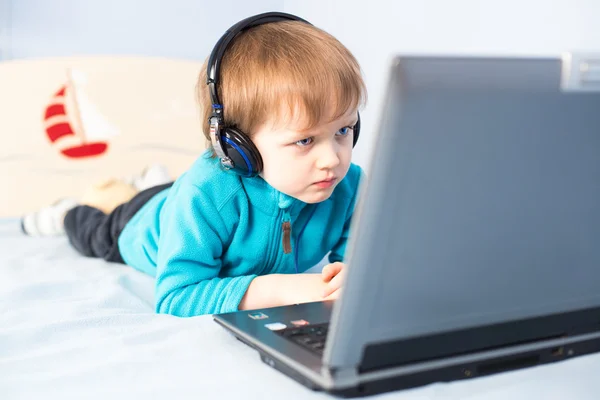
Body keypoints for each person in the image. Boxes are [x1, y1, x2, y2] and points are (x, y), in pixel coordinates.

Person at [22, 12, 367, 317]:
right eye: (304, 140)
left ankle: (146, 182)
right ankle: (69, 211)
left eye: (343, 130)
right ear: (237, 145)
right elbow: (176, 297)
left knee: (164, 189)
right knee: (96, 230)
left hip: (177, 195)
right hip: (139, 223)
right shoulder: (205, 194)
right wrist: (281, 289)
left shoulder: (347, 185)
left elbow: (360, 260)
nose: (333, 159)